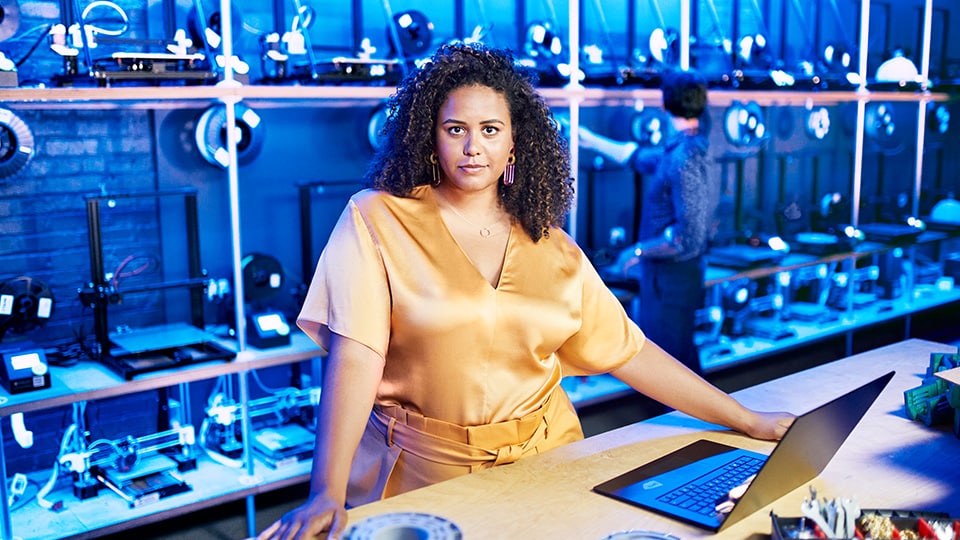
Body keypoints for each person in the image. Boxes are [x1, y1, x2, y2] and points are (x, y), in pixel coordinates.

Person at [257, 44, 793, 540]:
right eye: (455, 129)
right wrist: (324, 489)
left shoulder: (550, 243)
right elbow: (355, 357)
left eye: (491, 130)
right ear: (430, 137)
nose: (473, 148)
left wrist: (746, 419)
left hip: (547, 463)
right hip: (420, 474)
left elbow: (630, 352)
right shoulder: (376, 219)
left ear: (516, 141)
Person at [576, 70, 716, 377]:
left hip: (672, 283)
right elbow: (638, 157)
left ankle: (694, 423)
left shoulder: (684, 159)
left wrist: (637, 252)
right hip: (672, 280)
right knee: (678, 360)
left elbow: (686, 238)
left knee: (672, 367)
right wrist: (590, 140)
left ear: (665, 105)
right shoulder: (687, 149)